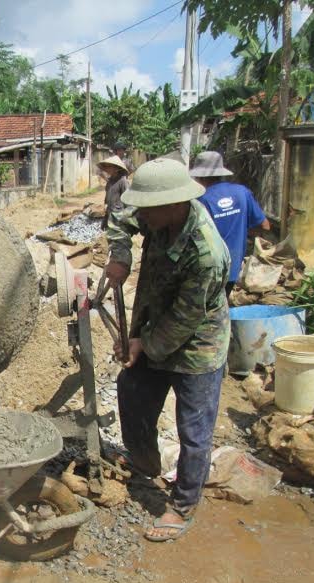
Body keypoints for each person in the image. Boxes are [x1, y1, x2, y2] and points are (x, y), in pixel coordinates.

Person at [104, 158, 230, 543]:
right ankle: (144, 460)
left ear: (174, 205)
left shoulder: (205, 253)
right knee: (132, 391)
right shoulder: (155, 214)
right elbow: (120, 220)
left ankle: (183, 504)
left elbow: (184, 320)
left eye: (148, 210)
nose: (141, 214)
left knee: (194, 429)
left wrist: (143, 344)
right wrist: (121, 256)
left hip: (197, 345)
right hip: (155, 321)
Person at [190, 151, 270, 301]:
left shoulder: (199, 200)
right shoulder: (242, 193)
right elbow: (265, 226)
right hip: (233, 269)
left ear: (198, 176)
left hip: (208, 271)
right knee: (222, 306)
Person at [98, 155, 130, 230]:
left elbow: (128, 200)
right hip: (109, 213)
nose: (107, 169)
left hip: (119, 216)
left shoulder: (122, 181)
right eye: (106, 167)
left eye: (109, 166)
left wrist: (126, 218)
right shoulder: (109, 181)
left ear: (116, 168)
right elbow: (107, 196)